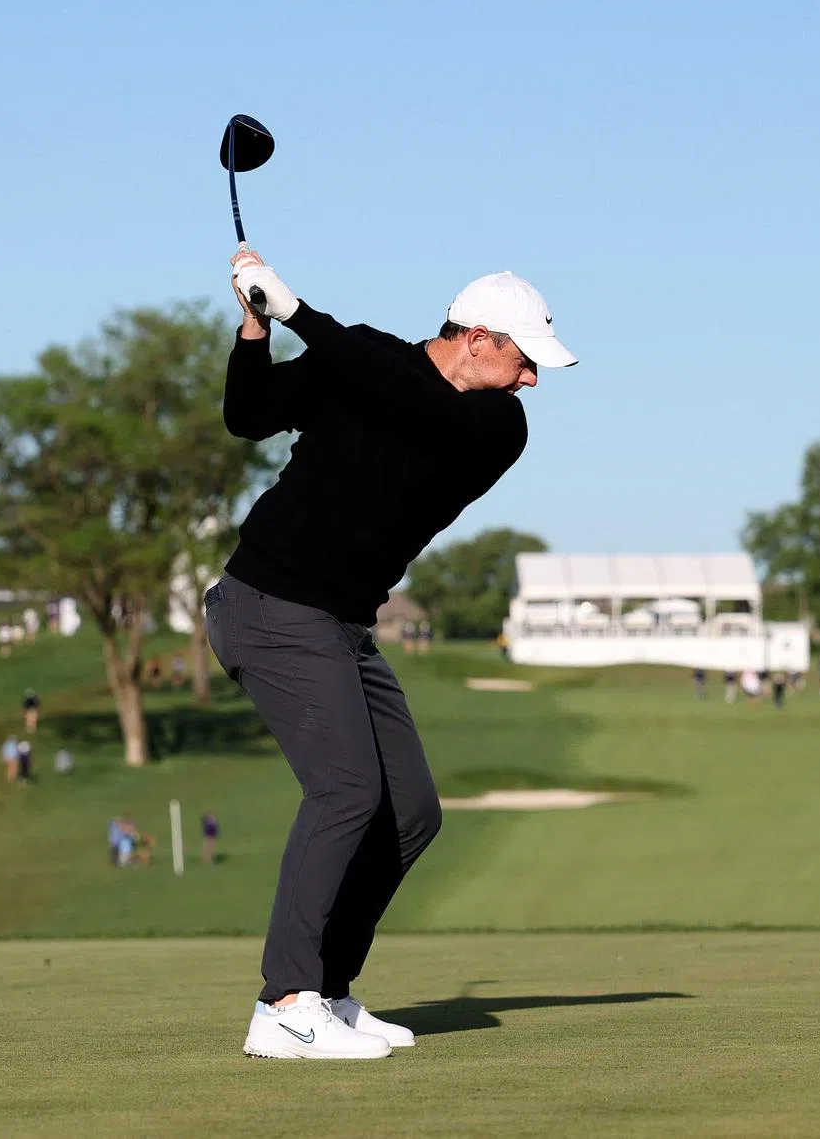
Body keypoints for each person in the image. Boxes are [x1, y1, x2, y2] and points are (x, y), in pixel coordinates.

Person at [210, 251, 576, 1061]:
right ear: (478, 339)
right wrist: (256, 330)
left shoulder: (497, 427)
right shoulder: (362, 359)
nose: (531, 380)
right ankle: (285, 1003)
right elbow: (250, 414)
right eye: (524, 360)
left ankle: (328, 991)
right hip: (268, 605)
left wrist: (302, 314)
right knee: (345, 789)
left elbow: (410, 402)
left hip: (340, 623)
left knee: (410, 812)